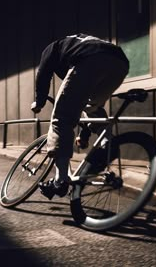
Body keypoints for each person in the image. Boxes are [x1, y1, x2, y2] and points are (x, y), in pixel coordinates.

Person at [31, 33, 129, 200]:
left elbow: (43, 74)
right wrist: (84, 135)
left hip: (89, 59)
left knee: (62, 117)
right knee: (92, 107)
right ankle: (107, 142)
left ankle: (60, 180)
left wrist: (39, 102)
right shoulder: (78, 43)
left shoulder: (52, 48)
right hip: (119, 62)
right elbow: (81, 102)